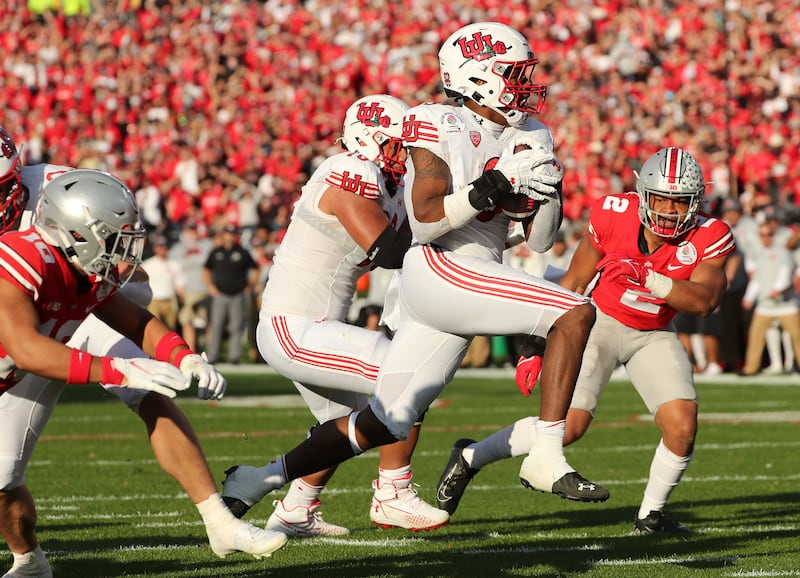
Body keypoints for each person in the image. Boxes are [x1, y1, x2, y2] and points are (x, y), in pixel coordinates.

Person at [221, 22, 608, 519]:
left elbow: (539, 240)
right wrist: (495, 183)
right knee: (573, 311)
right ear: (477, 77)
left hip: (454, 276)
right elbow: (421, 227)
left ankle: (266, 483)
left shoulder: (530, 133)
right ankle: (542, 455)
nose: (526, 84)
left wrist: (547, 188)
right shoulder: (421, 130)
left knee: (390, 417)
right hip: (424, 277)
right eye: (514, 73)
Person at [0, 141, 286, 577]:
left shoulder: (66, 210)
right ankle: (29, 560)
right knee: (3, 475)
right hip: (24, 330)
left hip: (56, 308)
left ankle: (219, 521)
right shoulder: (25, 257)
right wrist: (121, 368)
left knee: (149, 387)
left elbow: (134, 315)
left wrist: (184, 358)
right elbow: (26, 347)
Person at [435, 147, 736, 534]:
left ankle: (651, 516)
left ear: (695, 203)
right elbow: (573, 283)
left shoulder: (711, 234)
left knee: (682, 427)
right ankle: (470, 456)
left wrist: (647, 276)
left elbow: (705, 302)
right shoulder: (614, 214)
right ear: (643, 194)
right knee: (570, 425)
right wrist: (536, 346)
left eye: (678, 202)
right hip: (601, 322)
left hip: (654, 332)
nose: (668, 211)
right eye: (660, 199)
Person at [224, 94, 448, 536]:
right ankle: (393, 492)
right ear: (369, 138)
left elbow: (425, 238)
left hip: (318, 327)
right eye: (397, 144)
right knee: (407, 375)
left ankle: (293, 506)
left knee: (346, 429)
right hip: (294, 327)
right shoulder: (347, 170)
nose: (405, 154)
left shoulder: (390, 188)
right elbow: (390, 252)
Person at [739, 219, 800, 375]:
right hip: (765, 305)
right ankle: (751, 368)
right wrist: (749, 297)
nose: (765, 238)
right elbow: (757, 279)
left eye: (769, 235)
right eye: (762, 235)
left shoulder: (783, 252)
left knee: (797, 336)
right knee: (755, 336)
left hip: (785, 305)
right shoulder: (759, 253)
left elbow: (786, 273)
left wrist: (777, 289)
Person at [202, 223, 259, 364]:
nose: (229, 237)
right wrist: (210, 286)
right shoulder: (216, 252)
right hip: (220, 294)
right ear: (223, 235)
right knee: (216, 325)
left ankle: (234, 357)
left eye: (232, 234)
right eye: (227, 234)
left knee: (236, 326)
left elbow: (255, 268)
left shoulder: (242, 252)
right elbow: (206, 269)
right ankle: (213, 356)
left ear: (235, 236)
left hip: (237, 294)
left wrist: (250, 285)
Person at [169, 219, 214, 351]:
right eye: (189, 230)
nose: (192, 233)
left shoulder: (207, 244)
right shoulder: (177, 248)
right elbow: (175, 265)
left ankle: (211, 352)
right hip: (187, 290)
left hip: (206, 289)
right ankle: (191, 351)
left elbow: (209, 261)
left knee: (210, 321)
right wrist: (198, 261)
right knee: (187, 321)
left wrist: (189, 261)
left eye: (193, 229)